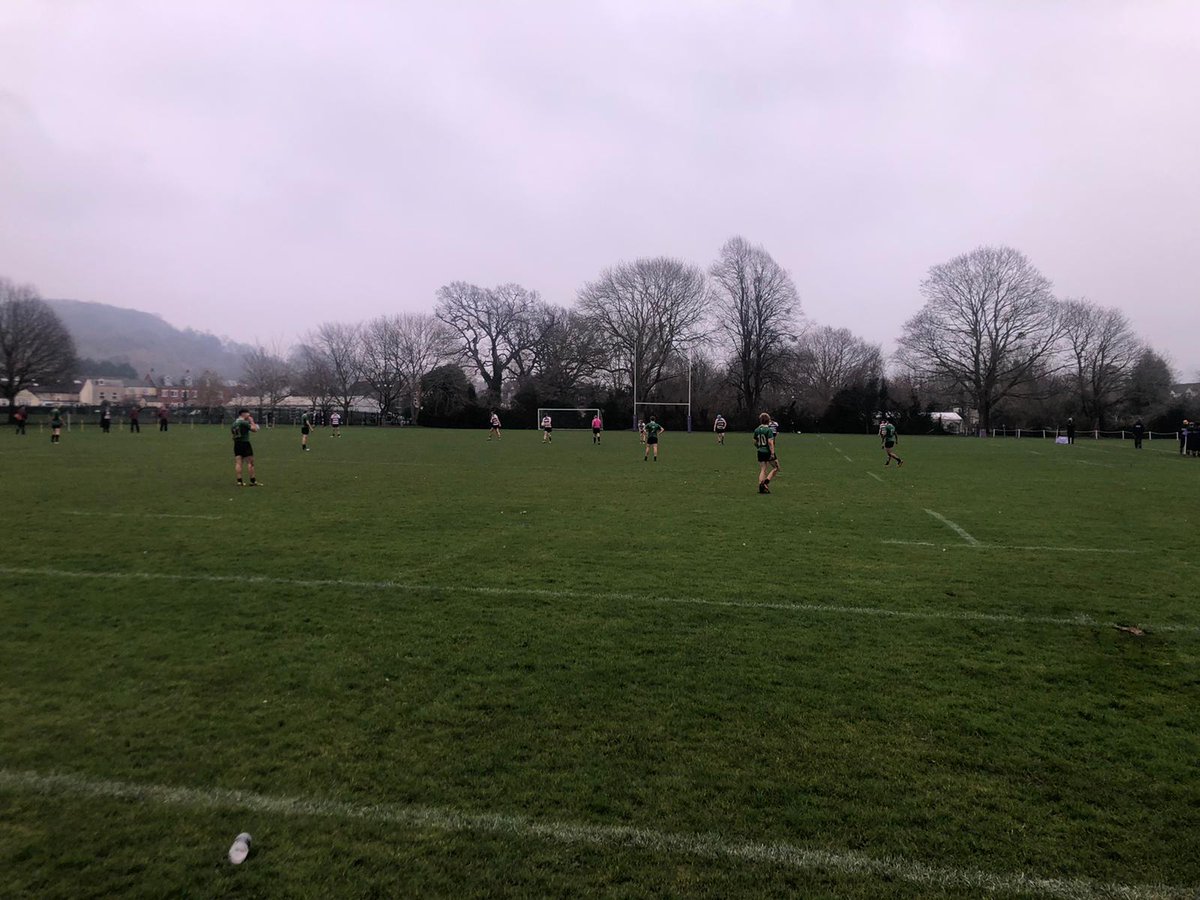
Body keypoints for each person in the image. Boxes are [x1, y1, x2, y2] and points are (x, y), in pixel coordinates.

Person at [231, 408, 261, 486]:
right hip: (245, 443)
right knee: (250, 463)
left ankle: (239, 481)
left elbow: (233, 435)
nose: (249, 415)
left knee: (238, 463)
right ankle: (253, 481)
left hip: (237, 444)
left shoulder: (234, 423)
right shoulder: (243, 422)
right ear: (243, 414)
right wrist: (251, 421)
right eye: (248, 413)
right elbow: (254, 430)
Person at [754, 412, 776, 493]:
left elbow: (755, 442)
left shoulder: (757, 430)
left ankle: (761, 485)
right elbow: (770, 442)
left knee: (763, 469)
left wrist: (759, 447)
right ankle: (766, 482)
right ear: (768, 420)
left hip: (760, 451)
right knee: (776, 467)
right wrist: (772, 453)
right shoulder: (768, 430)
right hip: (768, 452)